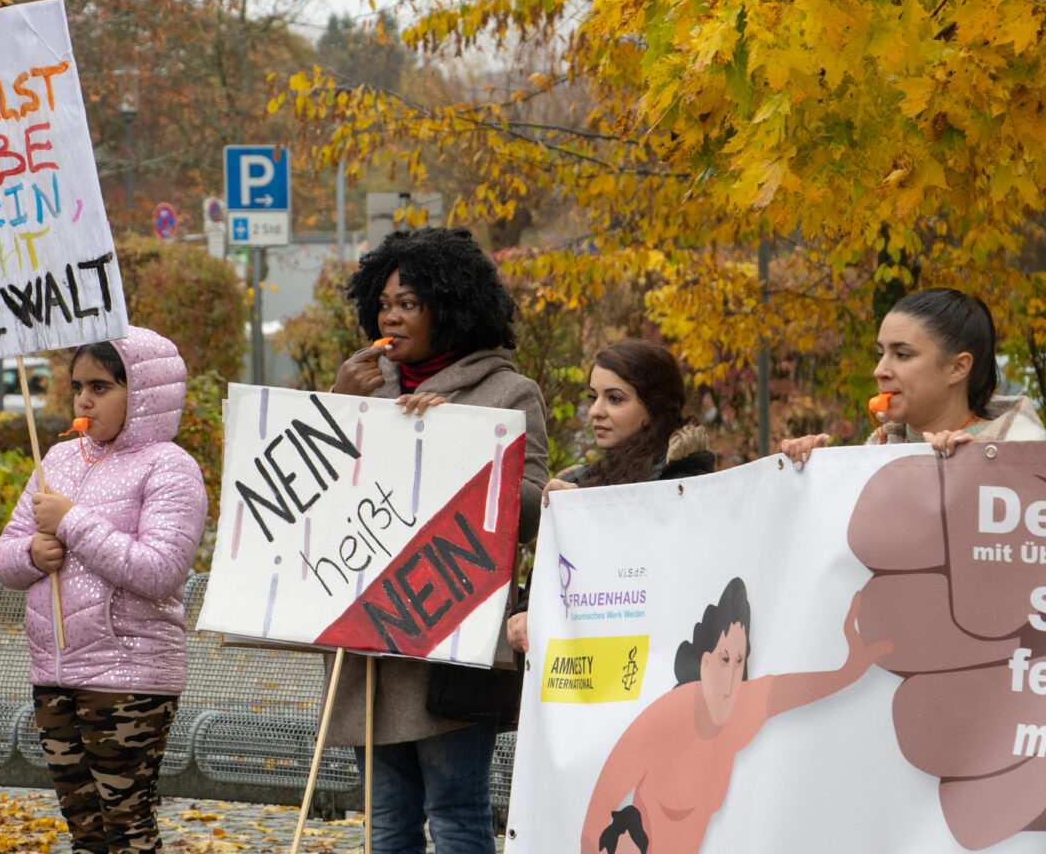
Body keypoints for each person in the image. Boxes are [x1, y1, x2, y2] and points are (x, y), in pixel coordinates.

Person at [326, 226, 550, 854]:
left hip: (448, 637)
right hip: (369, 637)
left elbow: (533, 513)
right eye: (384, 302)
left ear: (451, 308)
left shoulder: (508, 392)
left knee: (455, 813)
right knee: (388, 820)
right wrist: (338, 407)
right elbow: (323, 501)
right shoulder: (364, 386)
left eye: (409, 303)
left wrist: (460, 444)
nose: (389, 316)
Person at [0, 326, 208, 854]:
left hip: (129, 679)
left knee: (126, 827)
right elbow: (6, 556)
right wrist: (30, 556)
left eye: (101, 387)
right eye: (77, 387)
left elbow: (160, 571)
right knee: (84, 830)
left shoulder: (170, 468)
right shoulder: (59, 462)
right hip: (56, 673)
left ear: (144, 392)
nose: (84, 399)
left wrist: (72, 523)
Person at [580, 579, 890, 854]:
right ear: (704, 663)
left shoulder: (742, 709)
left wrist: (849, 672)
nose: (730, 679)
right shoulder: (665, 718)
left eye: (738, 662)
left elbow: (796, 689)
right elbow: (594, 821)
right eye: (724, 658)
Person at [506, 339, 716, 654]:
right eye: (593, 397)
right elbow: (552, 577)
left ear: (652, 407)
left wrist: (590, 511)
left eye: (615, 399)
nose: (595, 411)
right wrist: (524, 612)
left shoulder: (688, 482)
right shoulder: (579, 481)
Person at [781, 287, 1046, 465]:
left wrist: (991, 467)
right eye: (880, 353)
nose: (879, 371)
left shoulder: (1029, 452)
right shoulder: (873, 452)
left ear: (958, 368)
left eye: (903, 355)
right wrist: (813, 475)